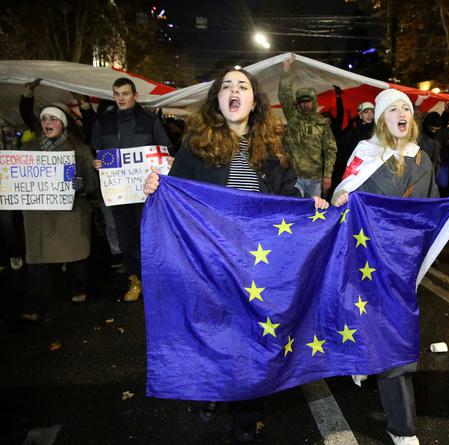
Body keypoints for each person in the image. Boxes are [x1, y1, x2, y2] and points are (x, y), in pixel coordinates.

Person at [144, 66, 328, 443]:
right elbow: (176, 191)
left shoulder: (275, 146)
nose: (233, 90)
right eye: (226, 85)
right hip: (211, 257)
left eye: (242, 86)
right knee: (215, 328)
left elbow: (287, 196)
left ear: (254, 100)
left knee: (252, 335)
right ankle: (211, 388)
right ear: (217, 99)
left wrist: (309, 205)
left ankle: (247, 414)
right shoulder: (196, 144)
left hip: (257, 261)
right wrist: (155, 186)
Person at [333, 89, 437, 445]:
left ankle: (401, 427)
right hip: (364, 261)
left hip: (401, 264)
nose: (401, 113)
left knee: (395, 333)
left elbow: (433, 210)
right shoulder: (364, 154)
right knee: (367, 322)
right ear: (381, 118)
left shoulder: (422, 160)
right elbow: (342, 194)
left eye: (406, 108)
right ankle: (363, 362)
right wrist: (342, 199)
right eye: (393, 108)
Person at [91, 77, 173, 302]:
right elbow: (96, 149)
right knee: (126, 238)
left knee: (148, 235)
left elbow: (165, 148)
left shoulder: (149, 120)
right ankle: (134, 279)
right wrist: (95, 163)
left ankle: (154, 280)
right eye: (116, 93)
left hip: (147, 192)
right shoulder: (104, 121)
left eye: (125, 93)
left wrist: (168, 161)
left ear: (134, 95)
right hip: (119, 192)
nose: (120, 98)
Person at [20, 106, 97, 321]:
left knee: (74, 255)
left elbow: (92, 184)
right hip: (38, 216)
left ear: (63, 123)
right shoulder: (27, 150)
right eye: (44, 118)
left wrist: (81, 186)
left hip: (69, 215)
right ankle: (33, 304)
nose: (48, 122)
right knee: (37, 260)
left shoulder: (79, 149)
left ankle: (78, 287)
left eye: (53, 118)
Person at [278, 55, 337, 198]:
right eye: (302, 101)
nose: (305, 104)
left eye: (308, 101)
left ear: (314, 101)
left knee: (314, 214)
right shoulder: (292, 117)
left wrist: (327, 176)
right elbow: (285, 95)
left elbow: (330, 150)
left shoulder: (321, 123)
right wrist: (286, 69)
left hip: (315, 180)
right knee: (295, 213)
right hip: (294, 177)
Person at [330, 101, 375, 195]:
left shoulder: (378, 132)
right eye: (366, 111)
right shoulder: (353, 132)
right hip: (354, 172)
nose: (370, 114)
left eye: (372, 112)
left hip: (371, 172)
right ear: (360, 114)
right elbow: (343, 153)